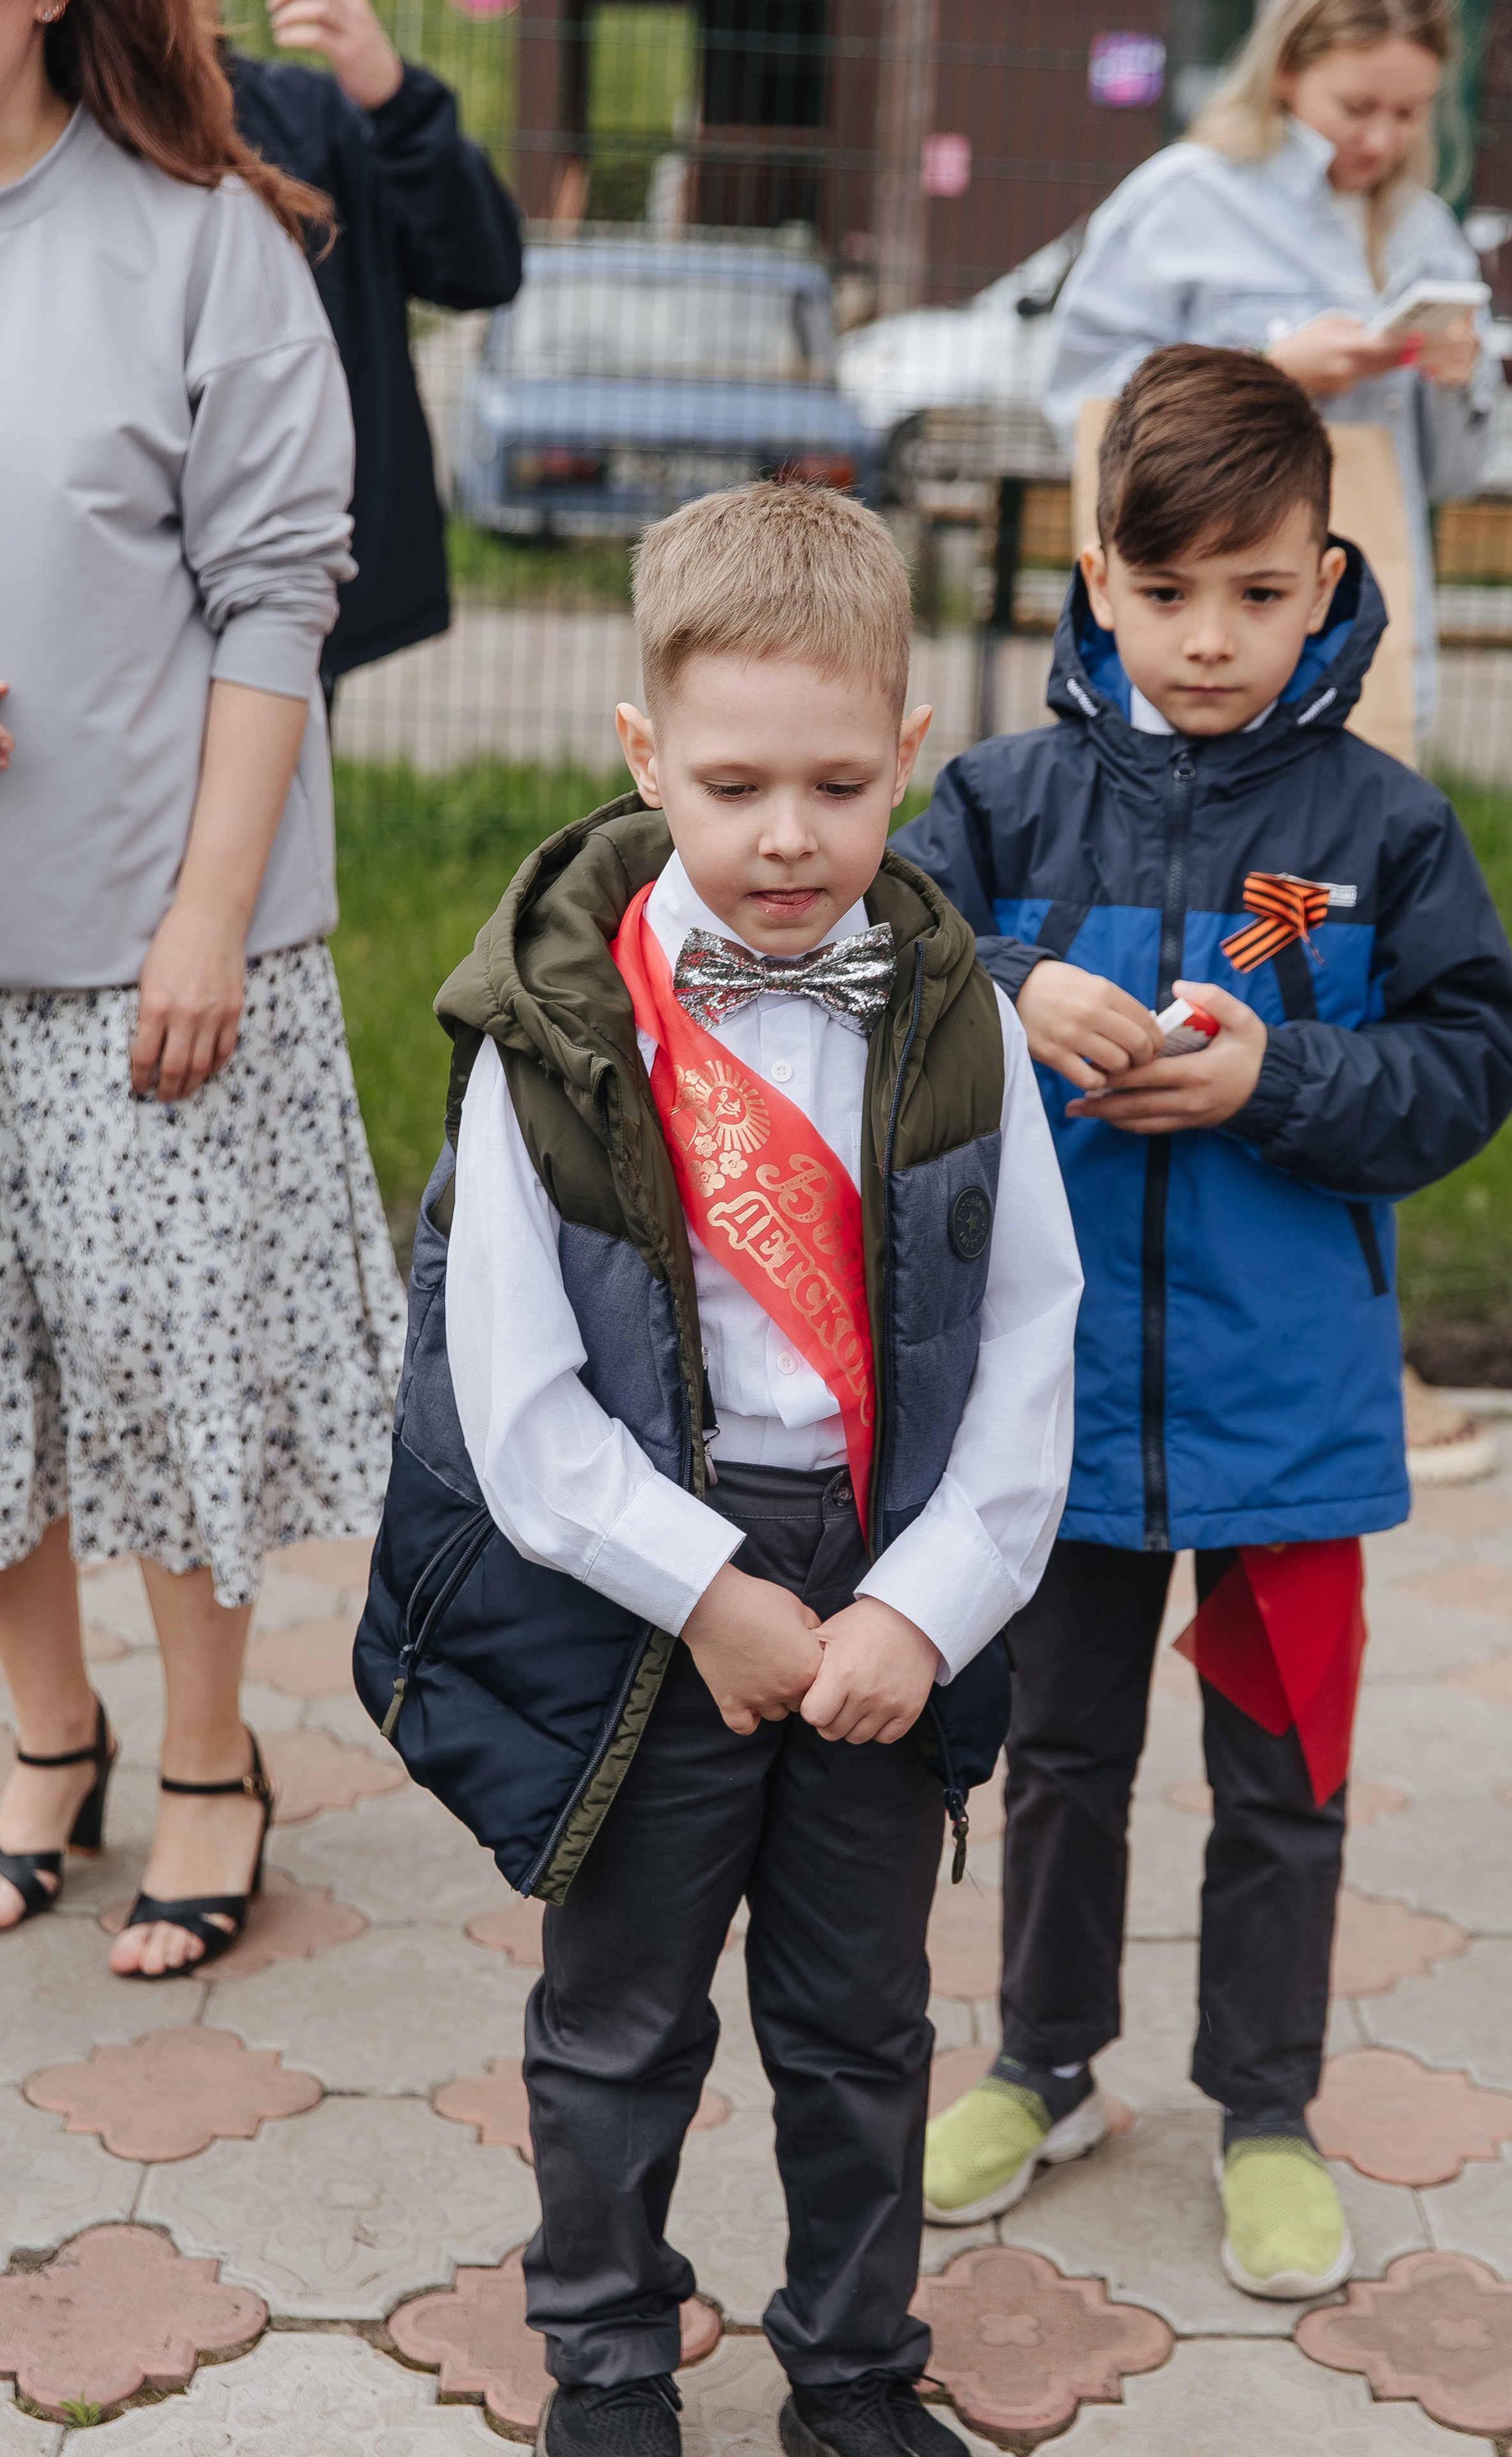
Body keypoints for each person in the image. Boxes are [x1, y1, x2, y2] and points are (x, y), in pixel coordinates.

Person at [352, 482, 1083, 2457]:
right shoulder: (554, 1038)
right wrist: (708, 1591)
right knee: (617, 2016)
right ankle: (605, 2356)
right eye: (735, 780)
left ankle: (850, 2368)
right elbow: (506, 1394)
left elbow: (1031, 1341)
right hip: (639, 1582)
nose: (786, 835)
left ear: (909, 758)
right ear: (643, 751)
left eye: (838, 785)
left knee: (860, 2028)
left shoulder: (961, 1025)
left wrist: (919, 1608)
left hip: (879, 1578)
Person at [898, 348, 1512, 2298]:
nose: (1208, 637)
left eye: (1258, 593)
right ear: (1095, 578)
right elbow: (877, 960)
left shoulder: (1381, 822)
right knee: (1059, 1753)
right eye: (1166, 592)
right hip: (1058, 1416)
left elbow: (1469, 1061)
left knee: (1279, 1778)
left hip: (1288, 1424)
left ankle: (1263, 2102)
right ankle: (1043, 2064)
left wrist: (1279, 1078)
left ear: (1323, 572)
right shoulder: (1000, 799)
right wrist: (1006, 983)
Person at [0, 0, 405, 1973]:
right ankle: (45, 1739)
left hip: (147, 930)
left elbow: (273, 588)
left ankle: (212, 1763)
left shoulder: (200, 235)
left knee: (159, 1372)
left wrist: (206, 915)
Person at [1044, 0, 1497, 738]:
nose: (1380, 137)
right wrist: (1269, 370)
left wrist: (1457, 378)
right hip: (1203, 617)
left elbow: (1454, 476)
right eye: (1356, 107)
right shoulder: (1183, 200)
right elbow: (1079, 399)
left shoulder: (1429, 236)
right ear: (1285, 71)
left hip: (1367, 611)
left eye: (1409, 112)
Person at [216, 0, 523, 697]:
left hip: (292, 583)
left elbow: (482, 269)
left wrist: (395, 100)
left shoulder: (311, 118)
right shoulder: (64, 132)